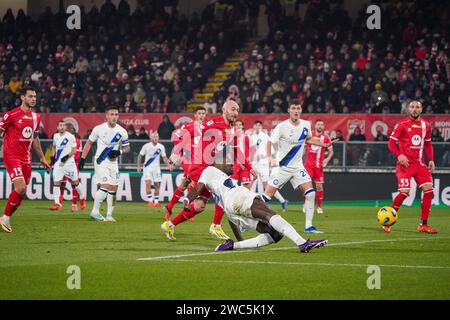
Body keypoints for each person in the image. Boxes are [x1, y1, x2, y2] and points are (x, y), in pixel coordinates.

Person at [184, 166, 328, 253]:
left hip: (233, 210)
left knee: (276, 235)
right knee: (268, 214)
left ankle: (232, 246)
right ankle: (303, 243)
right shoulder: (209, 171)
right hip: (237, 197)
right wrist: (187, 199)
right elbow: (198, 188)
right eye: (227, 161)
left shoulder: (218, 190)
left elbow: (230, 218)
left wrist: (238, 240)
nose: (230, 164)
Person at [161, 100, 240, 240]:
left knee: (200, 205)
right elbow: (189, 133)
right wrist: (175, 154)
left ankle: (170, 225)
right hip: (200, 167)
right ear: (224, 110)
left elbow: (226, 149)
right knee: (224, 190)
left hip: (209, 168)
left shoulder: (231, 128)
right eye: (233, 109)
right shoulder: (213, 123)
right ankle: (216, 225)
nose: (236, 113)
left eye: (237, 110)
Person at [262, 99, 335, 234]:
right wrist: (269, 158)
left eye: (298, 108)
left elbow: (308, 140)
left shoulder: (306, 125)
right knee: (266, 197)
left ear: (301, 110)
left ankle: (308, 226)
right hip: (282, 167)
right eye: (293, 108)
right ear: (289, 110)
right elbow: (270, 142)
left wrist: (322, 144)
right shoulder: (281, 127)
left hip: (298, 168)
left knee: (311, 193)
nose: (296, 111)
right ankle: (247, 219)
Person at [0, 86, 51, 233]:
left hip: (26, 159)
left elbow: (35, 138)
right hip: (11, 156)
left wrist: (42, 157)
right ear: (22, 98)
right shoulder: (11, 115)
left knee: (22, 191)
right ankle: (5, 218)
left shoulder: (36, 117)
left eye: (35, 96)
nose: (33, 99)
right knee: (20, 187)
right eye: (30, 96)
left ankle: (6, 217)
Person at [387, 100, 438, 234]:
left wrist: (431, 160)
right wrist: (399, 155)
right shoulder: (402, 124)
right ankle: (388, 220)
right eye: (412, 107)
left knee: (429, 190)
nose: (415, 109)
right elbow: (391, 143)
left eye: (417, 107)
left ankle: (423, 224)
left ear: (421, 109)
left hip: (419, 164)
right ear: (408, 110)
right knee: (404, 192)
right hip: (405, 164)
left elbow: (428, 144)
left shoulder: (426, 125)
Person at [78, 106, 130, 222]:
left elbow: (127, 148)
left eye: (116, 114)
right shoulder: (98, 129)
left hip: (113, 163)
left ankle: (109, 215)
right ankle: (95, 212)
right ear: (106, 116)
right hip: (101, 160)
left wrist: (119, 151)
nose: (114, 117)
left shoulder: (122, 131)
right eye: (111, 114)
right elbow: (89, 143)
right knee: (105, 185)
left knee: (113, 188)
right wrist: (82, 158)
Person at [165, 107, 206, 219]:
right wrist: (175, 157)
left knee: (185, 183)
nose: (202, 115)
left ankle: (170, 206)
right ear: (195, 115)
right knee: (193, 182)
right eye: (199, 113)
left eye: (203, 113)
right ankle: (189, 206)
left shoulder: (207, 127)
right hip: (188, 159)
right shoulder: (188, 126)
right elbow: (177, 140)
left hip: (199, 160)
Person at [249, 120, 288, 211]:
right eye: (256, 125)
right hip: (253, 163)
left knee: (266, 185)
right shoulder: (251, 137)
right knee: (252, 184)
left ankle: (277, 202)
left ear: (262, 127)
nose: (258, 127)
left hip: (263, 163)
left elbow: (271, 150)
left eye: (259, 125)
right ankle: (255, 205)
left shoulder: (266, 137)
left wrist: (264, 157)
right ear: (254, 127)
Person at [49, 120, 86, 212]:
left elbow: (74, 150)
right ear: (57, 127)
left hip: (69, 163)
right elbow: (54, 146)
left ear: (66, 127)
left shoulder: (70, 136)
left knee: (75, 183)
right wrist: (52, 156)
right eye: (60, 125)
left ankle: (82, 196)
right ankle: (57, 204)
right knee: (56, 182)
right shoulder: (55, 136)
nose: (62, 127)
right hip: (59, 164)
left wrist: (66, 157)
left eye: (63, 125)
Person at [304, 120, 334, 214]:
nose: (320, 126)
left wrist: (327, 159)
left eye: (322, 124)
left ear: (324, 127)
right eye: (318, 124)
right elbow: (303, 148)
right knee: (306, 186)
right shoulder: (310, 136)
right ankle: (306, 204)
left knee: (319, 186)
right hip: (308, 165)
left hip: (318, 166)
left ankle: (319, 206)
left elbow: (331, 151)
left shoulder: (326, 138)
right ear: (315, 125)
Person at [137, 131, 173, 207]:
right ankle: (150, 201)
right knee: (148, 183)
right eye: (154, 136)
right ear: (151, 138)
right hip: (147, 168)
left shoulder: (161, 147)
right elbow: (140, 156)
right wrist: (138, 166)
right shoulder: (146, 146)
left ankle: (156, 202)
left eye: (157, 136)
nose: (156, 138)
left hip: (156, 168)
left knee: (157, 185)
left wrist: (168, 165)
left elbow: (164, 157)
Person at [59, 127, 85, 212]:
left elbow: (78, 153)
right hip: (63, 164)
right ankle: (59, 204)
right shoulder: (62, 139)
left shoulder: (77, 140)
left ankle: (74, 204)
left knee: (74, 184)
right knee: (62, 183)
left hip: (73, 164)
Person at [231, 119, 255, 189]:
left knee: (246, 186)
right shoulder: (232, 137)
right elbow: (231, 151)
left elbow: (253, 150)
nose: (238, 126)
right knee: (232, 184)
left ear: (243, 126)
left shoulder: (247, 137)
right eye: (236, 125)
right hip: (235, 163)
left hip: (245, 164)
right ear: (234, 126)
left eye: (240, 125)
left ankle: (245, 199)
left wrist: (248, 160)